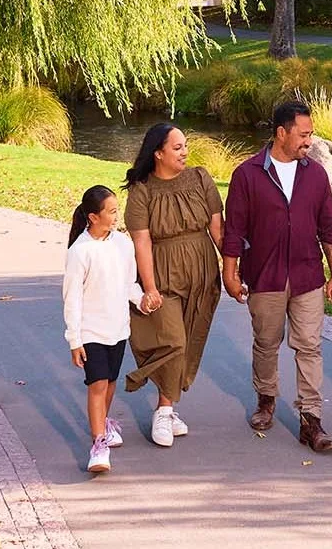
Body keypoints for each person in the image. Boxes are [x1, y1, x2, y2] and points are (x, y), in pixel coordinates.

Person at [221, 99, 332, 453]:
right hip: (265, 275)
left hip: (307, 276)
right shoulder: (247, 174)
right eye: (303, 134)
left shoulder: (316, 174)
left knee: (309, 346)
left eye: (311, 134)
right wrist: (230, 272)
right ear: (281, 133)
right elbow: (235, 231)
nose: (309, 141)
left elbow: (329, 228)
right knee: (266, 343)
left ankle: (312, 420)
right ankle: (266, 399)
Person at [122, 122, 223, 447]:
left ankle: (169, 405)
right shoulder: (142, 190)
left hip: (203, 270)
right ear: (158, 153)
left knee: (191, 337)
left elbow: (219, 231)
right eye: (177, 147)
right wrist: (149, 287)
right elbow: (141, 242)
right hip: (163, 272)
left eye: (185, 145)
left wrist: (235, 270)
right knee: (172, 340)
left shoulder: (200, 178)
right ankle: (164, 411)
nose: (185, 151)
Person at [62, 184, 141, 474]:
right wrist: (75, 340)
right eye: (110, 211)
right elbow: (72, 299)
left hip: (118, 329)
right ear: (93, 217)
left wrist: (143, 300)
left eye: (116, 209)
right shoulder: (80, 252)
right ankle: (98, 445)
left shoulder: (123, 244)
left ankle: (104, 424)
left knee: (109, 383)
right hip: (91, 332)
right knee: (96, 385)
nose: (116, 216)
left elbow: (128, 284)